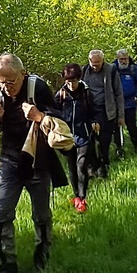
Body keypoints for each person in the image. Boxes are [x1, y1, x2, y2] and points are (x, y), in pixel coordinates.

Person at [0, 53, 68, 273]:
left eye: (10, 82)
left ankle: (42, 261)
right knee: (2, 215)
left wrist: (39, 116)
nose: (6, 87)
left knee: (41, 216)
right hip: (9, 161)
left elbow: (60, 120)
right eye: (1, 82)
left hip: (37, 161)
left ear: (23, 74)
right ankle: (8, 272)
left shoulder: (38, 87)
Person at [54, 63, 94, 213]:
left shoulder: (86, 93)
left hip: (83, 134)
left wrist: (95, 121)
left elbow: (94, 110)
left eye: (74, 81)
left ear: (79, 79)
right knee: (71, 167)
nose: (71, 84)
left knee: (81, 165)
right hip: (67, 136)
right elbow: (54, 112)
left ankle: (83, 198)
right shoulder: (61, 95)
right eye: (68, 81)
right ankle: (76, 195)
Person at [81, 49, 124, 180]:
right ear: (89, 61)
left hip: (107, 111)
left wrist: (120, 115)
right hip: (89, 111)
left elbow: (118, 93)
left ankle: (104, 167)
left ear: (103, 60)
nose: (95, 66)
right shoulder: (84, 71)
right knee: (89, 142)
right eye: (93, 63)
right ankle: (93, 168)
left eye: (98, 63)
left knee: (104, 142)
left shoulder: (111, 70)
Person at [112, 48, 137, 157]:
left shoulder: (133, 69)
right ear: (117, 59)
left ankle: (136, 145)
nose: (123, 61)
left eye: (125, 59)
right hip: (116, 104)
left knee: (132, 126)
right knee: (117, 128)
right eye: (121, 59)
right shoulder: (112, 69)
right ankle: (119, 148)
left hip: (130, 103)